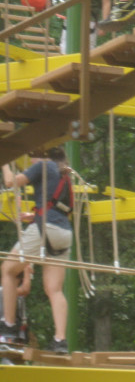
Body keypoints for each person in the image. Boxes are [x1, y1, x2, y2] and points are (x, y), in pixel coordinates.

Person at [0, 147, 73, 354]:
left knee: (7, 269)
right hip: (63, 232)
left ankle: (9, 327)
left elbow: (9, 182)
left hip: (45, 229)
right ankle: (60, 340)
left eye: (31, 158)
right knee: (54, 289)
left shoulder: (43, 165)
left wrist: (5, 160)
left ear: (41, 156)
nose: (30, 162)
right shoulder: (63, 173)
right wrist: (33, 216)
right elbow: (58, 206)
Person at [0, 264, 32, 348]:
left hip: (17, 328)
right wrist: (27, 274)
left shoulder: (15, 294)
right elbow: (25, 290)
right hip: (4, 328)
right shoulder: (2, 291)